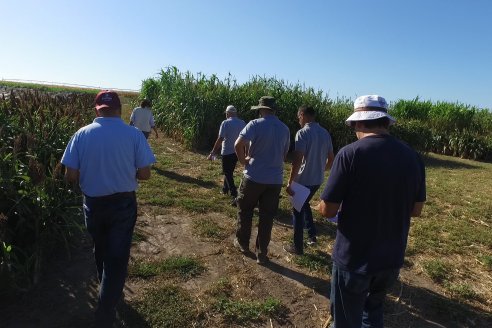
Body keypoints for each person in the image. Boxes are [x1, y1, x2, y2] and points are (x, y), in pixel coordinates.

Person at [316, 95, 426, 328]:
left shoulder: (350, 153)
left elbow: (328, 210)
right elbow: (416, 210)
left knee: (346, 320)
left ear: (358, 123)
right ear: (385, 122)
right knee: (373, 313)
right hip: (391, 258)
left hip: (354, 258)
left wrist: (321, 206)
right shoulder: (412, 156)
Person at [61, 90, 156, 327]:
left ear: (96, 109)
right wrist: (125, 173)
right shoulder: (133, 134)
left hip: (92, 204)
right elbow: (145, 174)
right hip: (123, 203)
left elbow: (70, 176)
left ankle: (108, 291)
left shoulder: (81, 134)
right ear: (120, 110)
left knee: (100, 248)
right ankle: (106, 310)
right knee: (118, 255)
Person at [233, 96, 290, 264]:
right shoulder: (285, 129)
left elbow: (238, 144)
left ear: (261, 109)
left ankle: (243, 244)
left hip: (254, 177)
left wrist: (244, 161)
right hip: (275, 180)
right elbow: (284, 155)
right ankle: (262, 253)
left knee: (245, 210)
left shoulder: (255, 124)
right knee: (267, 217)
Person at [284, 105, 334, 255]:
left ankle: (298, 247)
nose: (298, 120)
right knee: (304, 205)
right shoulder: (325, 133)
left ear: (302, 115)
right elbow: (331, 159)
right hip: (317, 180)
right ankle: (312, 235)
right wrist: (320, 169)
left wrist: (289, 182)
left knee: (297, 212)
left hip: (303, 180)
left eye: (298, 117)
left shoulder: (303, 133)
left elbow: (297, 159)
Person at [207, 105, 246, 205]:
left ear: (227, 113)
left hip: (227, 152)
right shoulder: (242, 123)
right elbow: (245, 139)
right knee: (229, 171)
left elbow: (220, 138)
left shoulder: (225, 123)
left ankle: (234, 192)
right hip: (237, 152)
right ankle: (225, 189)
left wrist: (213, 151)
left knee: (227, 172)